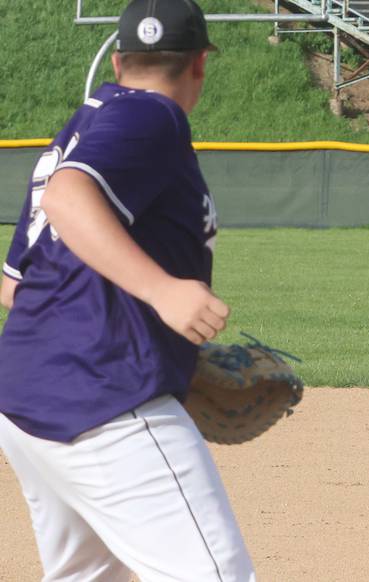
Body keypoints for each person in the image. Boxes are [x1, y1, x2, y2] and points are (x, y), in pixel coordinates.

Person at [0, 1, 257, 579]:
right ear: (200, 65)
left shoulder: (82, 125)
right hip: (104, 394)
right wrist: (165, 292)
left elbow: (16, 288)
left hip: (29, 392)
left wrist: (169, 351)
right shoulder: (155, 118)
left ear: (117, 61)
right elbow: (70, 199)